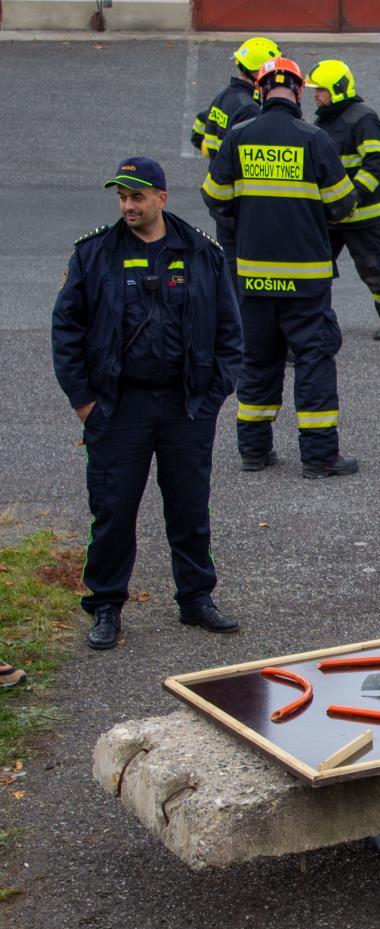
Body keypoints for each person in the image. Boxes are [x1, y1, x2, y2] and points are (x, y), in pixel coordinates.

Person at [52, 157, 244, 651]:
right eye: (122, 197)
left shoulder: (202, 253)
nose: (128, 206)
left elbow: (229, 329)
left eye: (137, 197)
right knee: (113, 510)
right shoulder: (94, 254)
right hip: (119, 408)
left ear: (161, 197)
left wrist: (213, 396)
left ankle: (196, 599)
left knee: (188, 507)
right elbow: (67, 330)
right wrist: (84, 403)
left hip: (186, 407)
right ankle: (106, 606)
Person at [203, 57, 361, 479]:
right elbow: (344, 204)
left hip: (252, 276)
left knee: (257, 359)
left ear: (260, 90)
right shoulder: (315, 139)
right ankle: (319, 458)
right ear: (296, 90)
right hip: (306, 279)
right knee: (313, 360)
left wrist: (250, 216)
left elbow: (215, 197)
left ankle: (253, 452)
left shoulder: (238, 138)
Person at [307, 60, 380, 341]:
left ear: (337, 90)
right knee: (316, 266)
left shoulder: (364, 119)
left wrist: (352, 198)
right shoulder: (323, 121)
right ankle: (312, 318)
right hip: (330, 214)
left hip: (364, 215)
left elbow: (375, 163)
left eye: (320, 90)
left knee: (373, 268)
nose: (315, 95)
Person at [190, 36, 280, 280]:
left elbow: (198, 131)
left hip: (221, 197)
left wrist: (214, 153)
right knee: (243, 271)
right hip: (239, 203)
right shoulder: (249, 108)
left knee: (230, 263)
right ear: (258, 73)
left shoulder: (225, 96)